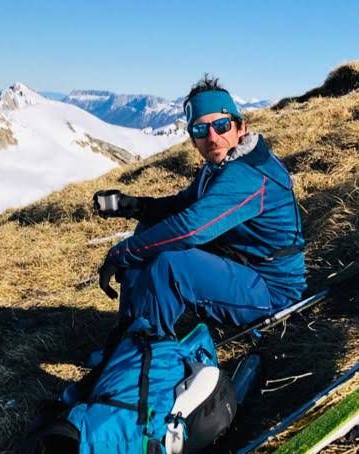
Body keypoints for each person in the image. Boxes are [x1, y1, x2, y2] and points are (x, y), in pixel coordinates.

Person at [94, 75, 306, 339]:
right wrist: (136, 206)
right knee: (151, 230)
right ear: (193, 139)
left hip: (270, 291)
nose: (212, 137)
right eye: (200, 130)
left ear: (240, 127)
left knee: (169, 263)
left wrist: (121, 253)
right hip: (239, 266)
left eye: (221, 125)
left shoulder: (246, 175)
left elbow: (190, 228)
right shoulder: (222, 164)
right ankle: (130, 332)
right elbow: (184, 204)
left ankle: (148, 350)